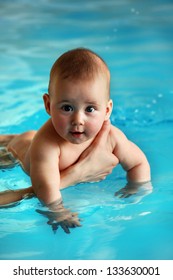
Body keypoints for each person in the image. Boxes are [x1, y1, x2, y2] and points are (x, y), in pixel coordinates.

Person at [0, 48, 151, 233]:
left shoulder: (112, 137)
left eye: (90, 109)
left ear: (107, 110)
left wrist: (136, 189)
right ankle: (9, 140)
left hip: (31, 139)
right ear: (48, 105)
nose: (78, 119)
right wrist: (58, 211)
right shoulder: (47, 143)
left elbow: (139, 163)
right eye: (67, 107)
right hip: (20, 151)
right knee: (7, 156)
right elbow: (45, 187)